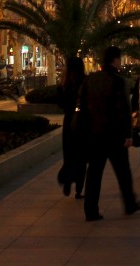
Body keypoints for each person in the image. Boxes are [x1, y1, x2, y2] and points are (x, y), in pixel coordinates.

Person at [77, 45, 140, 221]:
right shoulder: (118, 81)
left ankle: (90, 210)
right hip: (114, 134)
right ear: (115, 60)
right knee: (123, 171)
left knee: (94, 173)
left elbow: (82, 106)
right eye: (120, 59)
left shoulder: (91, 79)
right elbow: (124, 109)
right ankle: (129, 204)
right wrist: (128, 134)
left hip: (95, 133)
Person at [58, 56, 87, 199]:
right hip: (82, 123)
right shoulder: (85, 81)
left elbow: (60, 103)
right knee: (81, 156)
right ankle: (79, 190)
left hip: (68, 121)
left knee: (69, 154)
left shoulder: (64, 84)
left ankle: (67, 180)